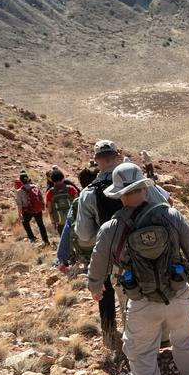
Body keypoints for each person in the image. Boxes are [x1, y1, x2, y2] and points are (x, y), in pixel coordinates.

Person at [86, 162, 189, 375]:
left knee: (141, 354)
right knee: (186, 340)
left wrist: (95, 286)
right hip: (177, 293)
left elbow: (98, 263)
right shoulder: (170, 215)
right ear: (144, 188)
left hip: (141, 301)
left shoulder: (111, 228)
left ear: (120, 194)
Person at [76, 140, 169, 355]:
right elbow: (164, 205)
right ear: (117, 155)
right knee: (156, 290)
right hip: (151, 249)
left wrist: (106, 235)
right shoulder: (138, 182)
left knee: (125, 301)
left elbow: (84, 234)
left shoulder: (89, 193)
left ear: (96, 160)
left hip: (115, 259)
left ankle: (123, 343)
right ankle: (161, 339)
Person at [56, 168, 98, 274]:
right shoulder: (103, 197)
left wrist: (62, 258)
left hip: (84, 248)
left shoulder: (76, 203)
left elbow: (67, 229)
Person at [14, 172, 50, 245]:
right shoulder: (35, 187)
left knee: (25, 222)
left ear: (20, 181)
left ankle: (32, 238)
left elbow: (19, 204)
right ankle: (46, 240)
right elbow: (41, 197)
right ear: (28, 179)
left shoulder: (19, 191)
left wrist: (19, 214)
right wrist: (42, 206)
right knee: (41, 224)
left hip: (28, 210)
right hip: (38, 209)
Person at [46, 168, 79, 235]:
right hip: (73, 220)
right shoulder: (71, 188)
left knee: (65, 242)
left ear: (52, 180)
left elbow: (50, 210)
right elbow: (78, 204)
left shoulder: (49, 192)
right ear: (63, 178)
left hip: (60, 222)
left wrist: (53, 223)